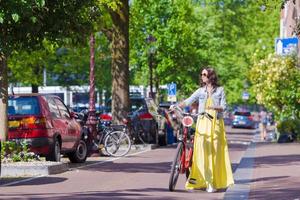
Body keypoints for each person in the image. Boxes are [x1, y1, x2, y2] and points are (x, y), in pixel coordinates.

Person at [175, 67, 234, 192]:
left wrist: (214, 107)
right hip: (202, 122)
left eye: (204, 74)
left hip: (216, 123)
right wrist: (175, 106)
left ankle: (212, 182)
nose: (202, 76)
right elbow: (188, 101)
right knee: (202, 151)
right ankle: (204, 180)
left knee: (214, 153)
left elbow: (224, 106)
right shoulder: (200, 91)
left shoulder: (220, 90)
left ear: (211, 76)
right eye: (201, 74)